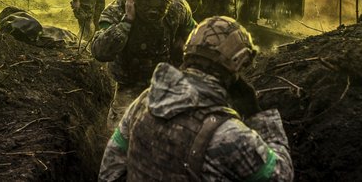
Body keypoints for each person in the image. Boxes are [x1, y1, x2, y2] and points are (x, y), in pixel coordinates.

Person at [99, 16, 294, 181]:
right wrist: (258, 117)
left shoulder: (146, 100)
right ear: (235, 67)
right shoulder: (231, 135)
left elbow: (110, 169)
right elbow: (282, 175)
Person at [91, 0, 196, 130]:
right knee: (122, 134)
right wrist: (126, 22)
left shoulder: (177, 8)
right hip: (129, 82)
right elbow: (100, 51)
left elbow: (195, 36)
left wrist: (184, 45)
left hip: (166, 79)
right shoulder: (117, 11)